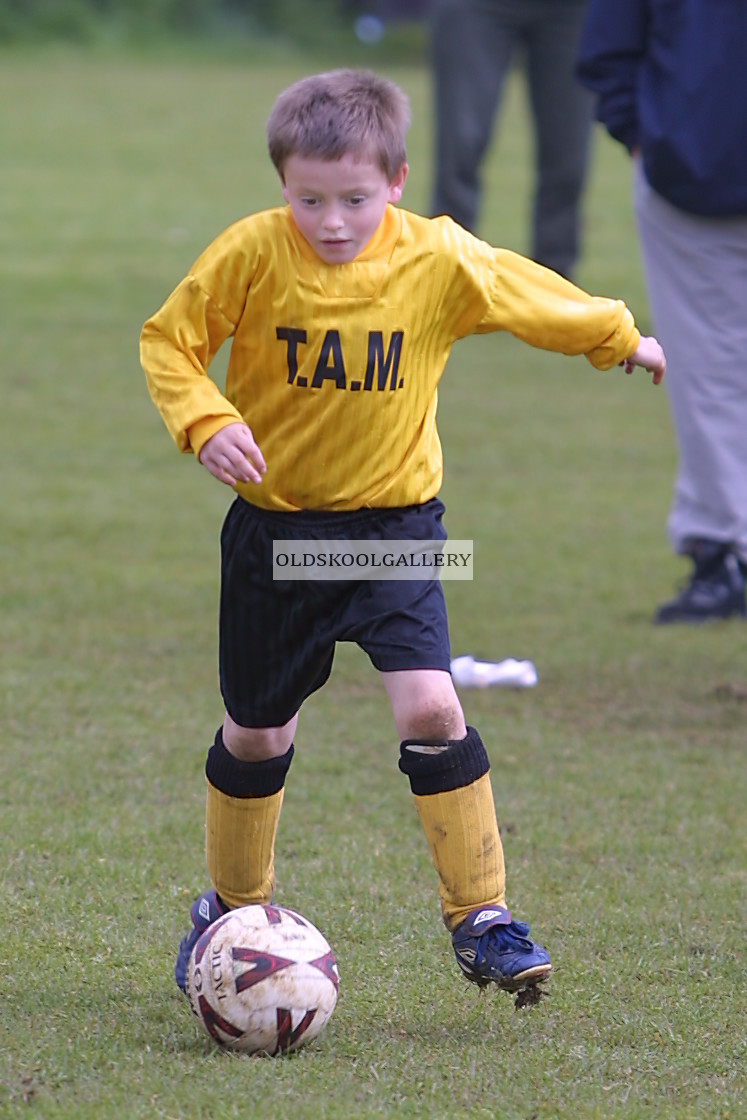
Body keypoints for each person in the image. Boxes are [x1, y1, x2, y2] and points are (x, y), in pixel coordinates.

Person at [140, 69, 665, 1005]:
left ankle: (484, 916)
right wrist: (206, 418)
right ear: (282, 186)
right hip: (277, 535)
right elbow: (170, 341)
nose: (331, 220)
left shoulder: (435, 259)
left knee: (429, 708)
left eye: (353, 198)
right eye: (308, 199)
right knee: (258, 733)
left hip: (393, 527)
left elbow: (524, 293)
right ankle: (231, 910)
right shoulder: (253, 255)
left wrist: (617, 337)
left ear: (396, 179)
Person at [577, 1, 747, 624]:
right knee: (704, 368)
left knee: (709, 371)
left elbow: (606, 47)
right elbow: (608, 47)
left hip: (689, 152)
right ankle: (721, 552)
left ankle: (722, 553)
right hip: (691, 165)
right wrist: (645, 136)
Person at [430, 0, 594, 280]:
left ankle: (555, 291)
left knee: (568, 158)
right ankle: (445, 280)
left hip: (571, 10)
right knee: (460, 148)